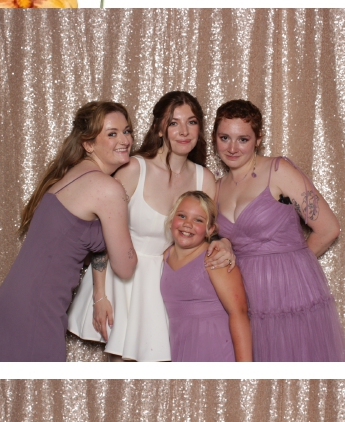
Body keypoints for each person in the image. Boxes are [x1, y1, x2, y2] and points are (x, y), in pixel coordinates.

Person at [68, 90, 234, 361]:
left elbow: (207, 235)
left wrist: (223, 242)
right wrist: (100, 295)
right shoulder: (134, 169)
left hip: (166, 285)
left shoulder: (204, 179)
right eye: (174, 122)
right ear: (158, 128)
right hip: (120, 282)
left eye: (191, 122)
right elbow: (101, 235)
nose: (184, 131)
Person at [0, 102, 137, 361]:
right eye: (112, 133)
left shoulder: (74, 173)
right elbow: (125, 267)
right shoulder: (107, 188)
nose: (124, 140)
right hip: (36, 307)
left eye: (127, 131)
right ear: (88, 144)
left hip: (16, 301)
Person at [210, 99, 345, 361]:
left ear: (258, 139)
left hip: (289, 296)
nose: (232, 148)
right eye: (224, 137)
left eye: (243, 139)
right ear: (214, 138)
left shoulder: (278, 171)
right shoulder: (216, 187)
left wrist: (291, 267)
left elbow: (328, 228)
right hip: (244, 299)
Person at [160, 192, 252, 362]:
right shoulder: (164, 256)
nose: (188, 224)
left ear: (210, 230)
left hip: (216, 349)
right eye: (182, 216)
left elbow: (239, 313)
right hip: (180, 348)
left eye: (198, 220)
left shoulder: (215, 258)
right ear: (172, 220)